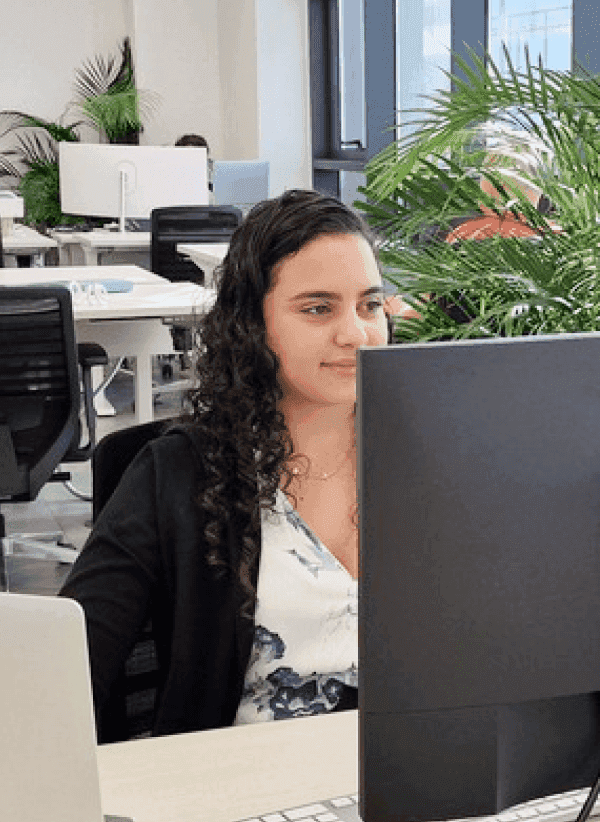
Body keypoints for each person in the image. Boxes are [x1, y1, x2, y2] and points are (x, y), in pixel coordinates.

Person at [60, 189, 391, 735]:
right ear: (253, 325)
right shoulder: (180, 473)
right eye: (318, 308)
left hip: (421, 775)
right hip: (241, 785)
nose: (355, 333)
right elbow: (69, 664)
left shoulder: (429, 454)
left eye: (369, 304)